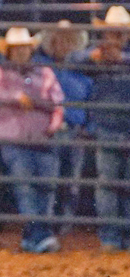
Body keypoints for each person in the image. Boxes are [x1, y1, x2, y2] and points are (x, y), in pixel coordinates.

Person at [0, 27, 64, 253]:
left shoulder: (44, 72)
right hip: (16, 138)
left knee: (44, 189)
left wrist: (54, 125)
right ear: (9, 51)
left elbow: (58, 100)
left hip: (43, 136)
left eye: (24, 49)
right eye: (16, 49)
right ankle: (40, 236)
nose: (21, 53)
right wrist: (15, 97)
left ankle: (35, 237)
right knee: (27, 188)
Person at [70, 6, 130, 251]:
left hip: (114, 124)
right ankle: (112, 237)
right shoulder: (97, 54)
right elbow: (73, 60)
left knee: (115, 183)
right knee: (109, 183)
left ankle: (118, 237)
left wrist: (121, 59)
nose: (115, 37)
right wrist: (93, 57)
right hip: (107, 126)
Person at [35, 20, 91, 225]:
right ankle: (49, 221)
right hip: (48, 129)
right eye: (60, 39)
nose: (64, 44)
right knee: (49, 179)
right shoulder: (40, 65)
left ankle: (65, 222)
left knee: (71, 181)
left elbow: (91, 101)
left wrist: (88, 127)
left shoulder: (82, 72)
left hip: (75, 130)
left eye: (69, 40)